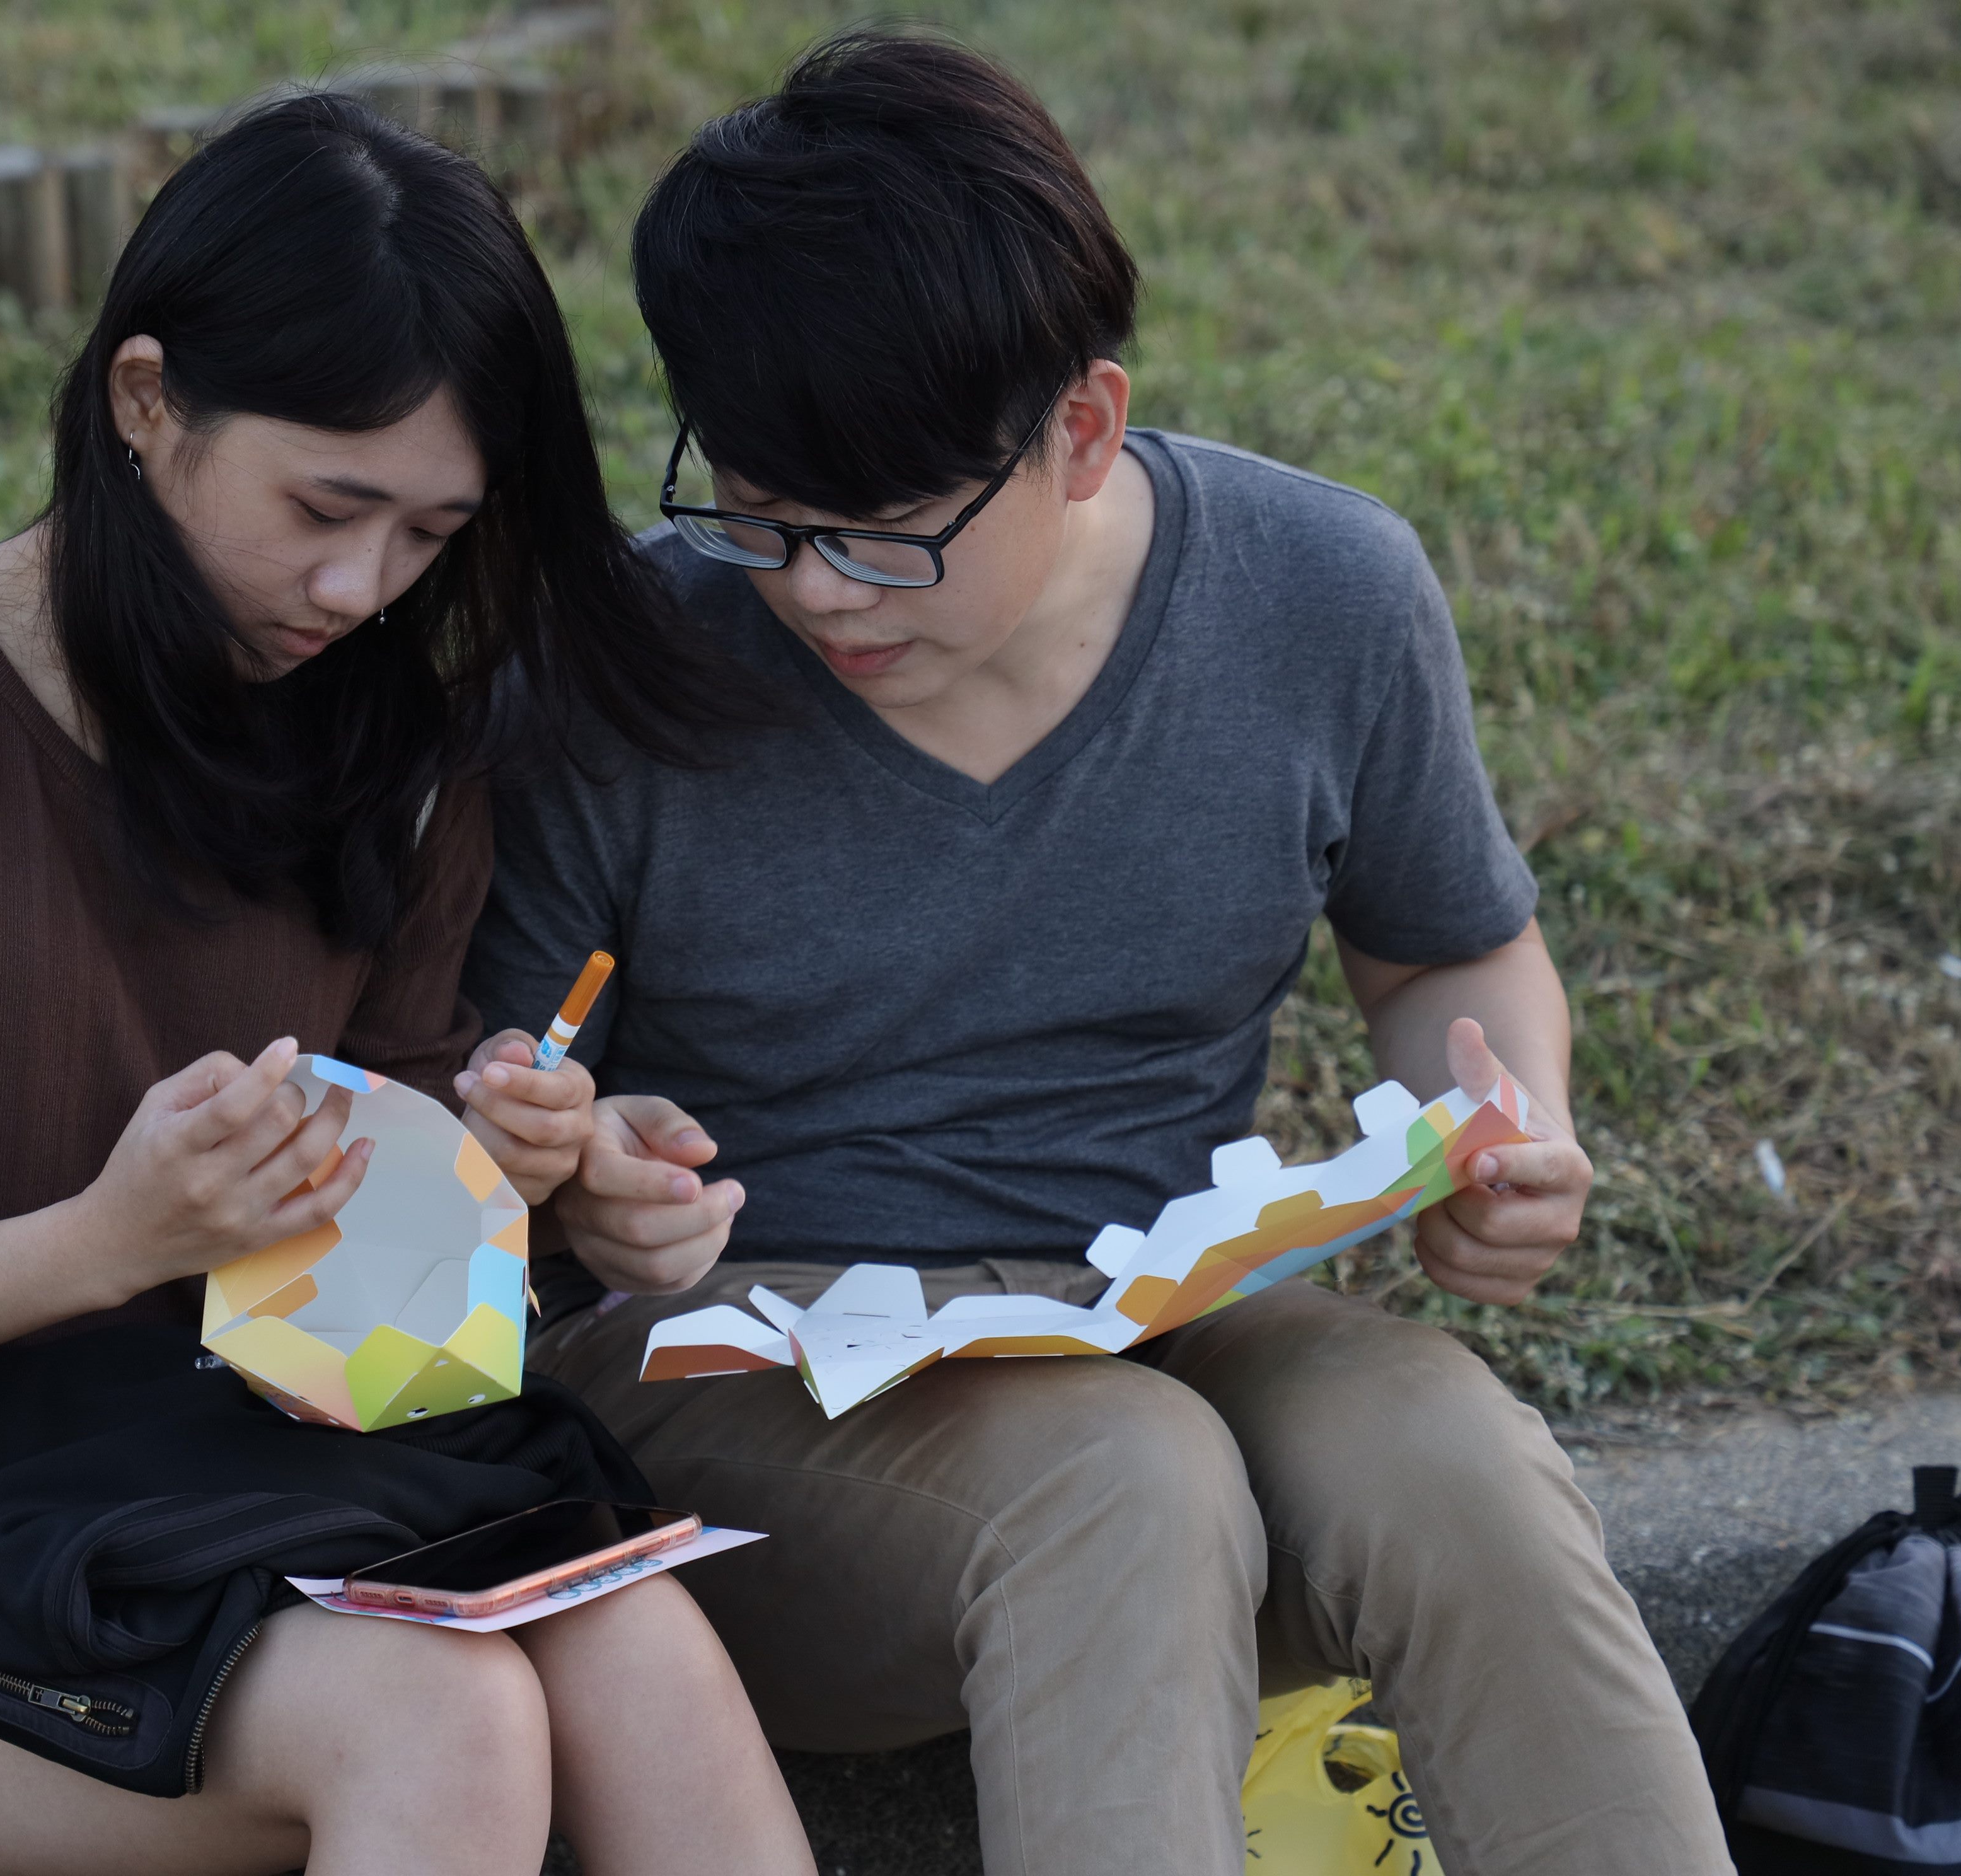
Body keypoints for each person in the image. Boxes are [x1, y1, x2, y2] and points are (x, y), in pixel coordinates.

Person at [465, 32, 1732, 1876]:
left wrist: (1506, 1121)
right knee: (1120, 1485)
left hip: (1158, 1295)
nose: (812, 586)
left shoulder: (1325, 595)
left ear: (1083, 427)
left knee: (1451, 1459)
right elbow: (490, 1093)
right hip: (747, 1378)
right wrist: (589, 1170)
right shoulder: (625, 663)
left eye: (887, 534)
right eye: (755, 508)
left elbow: (1453, 954)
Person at [0, 93, 812, 1876]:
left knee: (640, 1645)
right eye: (326, 508)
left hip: (278, 1491)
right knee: (445, 1715)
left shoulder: (403, 751)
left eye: (430, 536)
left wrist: (546, 1181)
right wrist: (112, 1238)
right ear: (144, 401)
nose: (362, 587)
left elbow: (374, 1276)